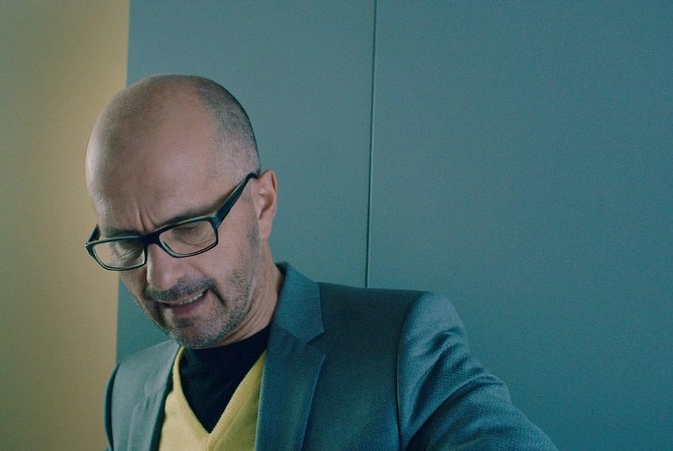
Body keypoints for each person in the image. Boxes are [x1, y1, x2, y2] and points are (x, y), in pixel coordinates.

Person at [84, 74, 556, 450]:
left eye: (189, 227)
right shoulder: (127, 389)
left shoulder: (400, 350)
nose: (160, 276)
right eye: (125, 242)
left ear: (263, 205)